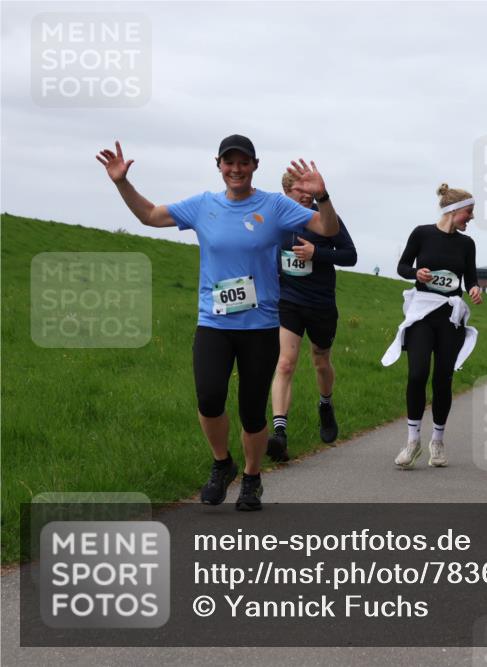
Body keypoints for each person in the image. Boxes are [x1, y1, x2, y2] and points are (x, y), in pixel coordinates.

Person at [96, 136, 340, 511]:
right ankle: (222, 463)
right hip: (214, 324)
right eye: (229, 163)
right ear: (219, 165)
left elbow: (327, 230)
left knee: (252, 411)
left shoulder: (274, 206)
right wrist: (121, 182)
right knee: (210, 399)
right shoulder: (202, 206)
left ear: (255, 165)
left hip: (259, 327)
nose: (236, 169)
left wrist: (322, 196)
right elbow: (150, 216)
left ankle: (252, 478)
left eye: (243, 162)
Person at [381, 184, 482, 468]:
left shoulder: (466, 244)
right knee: (417, 374)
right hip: (422, 313)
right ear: (453, 210)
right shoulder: (422, 233)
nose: (471, 218)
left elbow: (470, 277)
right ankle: (412, 441)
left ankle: (437, 442)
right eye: (468, 212)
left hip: (450, 318)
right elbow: (402, 267)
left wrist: (474, 289)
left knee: (442, 380)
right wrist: (417, 273)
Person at [266, 171, 357, 462]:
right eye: (298, 190)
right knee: (284, 362)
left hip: (320, 304)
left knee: (320, 361)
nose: (305, 194)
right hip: (288, 301)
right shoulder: (276, 218)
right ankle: (279, 433)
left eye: (308, 189)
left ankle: (325, 404)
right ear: (286, 192)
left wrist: (316, 252)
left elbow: (350, 255)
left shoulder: (325, 219)